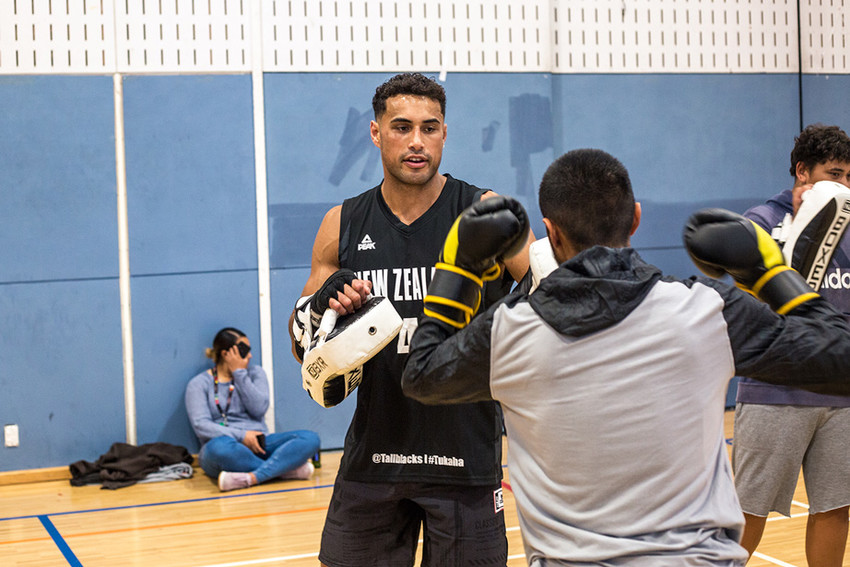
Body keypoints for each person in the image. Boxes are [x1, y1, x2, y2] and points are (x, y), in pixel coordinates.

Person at [401, 148, 850, 565]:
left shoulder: (509, 330)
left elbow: (420, 375)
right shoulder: (706, 312)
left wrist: (457, 271)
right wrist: (772, 276)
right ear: (635, 220)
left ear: (550, 232)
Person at [289, 72, 533, 566]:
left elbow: (549, 299)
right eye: (402, 127)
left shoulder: (486, 213)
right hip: (373, 458)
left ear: (445, 132)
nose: (417, 142)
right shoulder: (342, 223)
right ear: (376, 132)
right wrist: (321, 305)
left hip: (465, 460)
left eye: (431, 127)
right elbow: (302, 346)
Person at [732, 124, 850, 565]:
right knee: (747, 514)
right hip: (774, 391)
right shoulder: (762, 220)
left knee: (836, 509)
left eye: (848, 178)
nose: (842, 187)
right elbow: (743, 294)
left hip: (840, 393)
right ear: (803, 172)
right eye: (833, 174)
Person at [186, 327, 320, 492]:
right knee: (218, 448)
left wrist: (239, 374)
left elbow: (259, 409)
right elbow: (201, 426)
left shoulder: (255, 374)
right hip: (225, 446)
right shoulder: (199, 384)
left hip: (261, 443)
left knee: (310, 438)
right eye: (244, 350)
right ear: (225, 354)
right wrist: (242, 436)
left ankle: (251, 478)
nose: (249, 355)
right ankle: (284, 471)